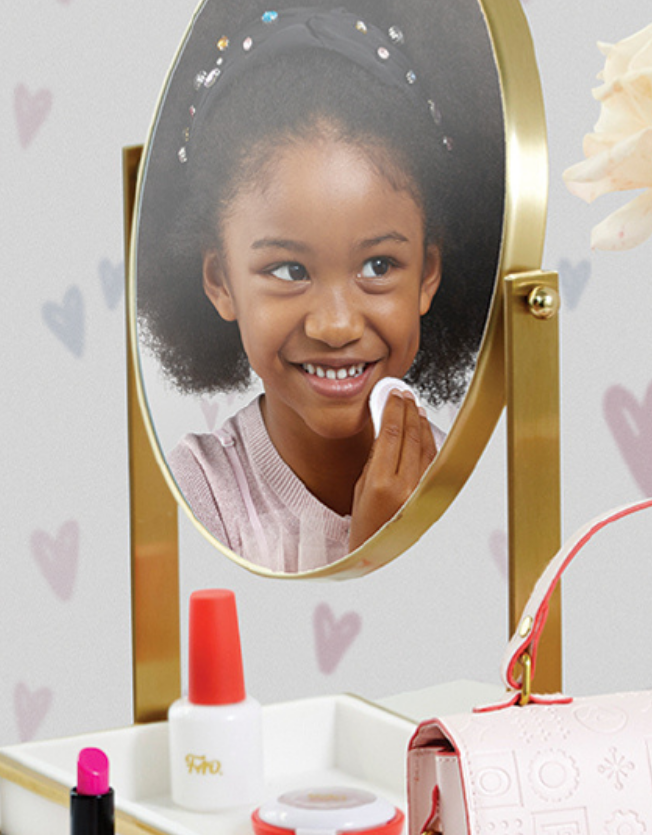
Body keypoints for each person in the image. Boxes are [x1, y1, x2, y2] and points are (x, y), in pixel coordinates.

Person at [135, 2, 503, 573]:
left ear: (429, 274)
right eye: (289, 271)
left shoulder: (480, 487)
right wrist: (371, 551)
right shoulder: (195, 495)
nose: (336, 325)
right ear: (220, 281)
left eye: (379, 266)